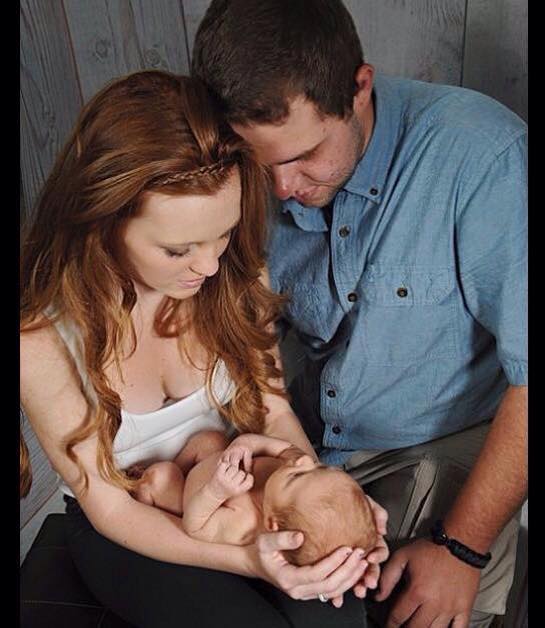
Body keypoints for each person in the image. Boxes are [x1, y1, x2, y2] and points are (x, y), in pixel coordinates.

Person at [191, 1, 528, 626]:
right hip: (294, 439)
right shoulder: (241, 172)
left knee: (435, 609)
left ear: (360, 89)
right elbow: (249, 335)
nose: (284, 187)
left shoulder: (482, 158)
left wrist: (462, 548)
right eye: (264, 164)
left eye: (306, 154)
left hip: (439, 445)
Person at [20, 70, 389, 628]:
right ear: (104, 222)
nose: (209, 266)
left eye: (223, 235)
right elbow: (111, 505)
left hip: (250, 496)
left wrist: (328, 525)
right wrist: (249, 560)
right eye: (177, 250)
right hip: (133, 527)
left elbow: (272, 409)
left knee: (336, 619)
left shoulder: (229, 273)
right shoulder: (40, 339)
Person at [129, 430, 377, 565]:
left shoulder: (243, 525)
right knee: (210, 439)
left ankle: (144, 495)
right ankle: (177, 464)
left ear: (273, 524)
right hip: (209, 462)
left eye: (297, 477)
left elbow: (195, 527)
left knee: (161, 476)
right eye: (319, 468)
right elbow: (280, 447)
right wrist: (244, 445)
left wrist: (216, 492)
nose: (303, 461)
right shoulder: (291, 468)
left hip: (188, 499)